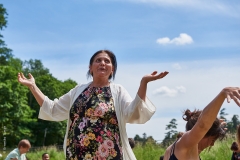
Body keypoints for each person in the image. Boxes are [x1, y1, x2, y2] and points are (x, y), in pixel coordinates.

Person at [18, 49, 169, 160]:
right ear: (90, 68)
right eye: (98, 60)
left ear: (112, 69)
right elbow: (53, 109)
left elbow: (132, 112)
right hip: (77, 154)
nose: (102, 63)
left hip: (108, 155)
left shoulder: (118, 91)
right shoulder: (78, 91)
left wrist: (144, 83)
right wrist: (33, 86)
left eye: (107, 61)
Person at [163, 87, 240, 160]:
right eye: (212, 140)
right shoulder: (185, 145)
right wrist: (222, 94)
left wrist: (214, 125)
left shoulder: (181, 147)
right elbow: (202, 125)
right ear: (202, 134)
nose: (211, 144)